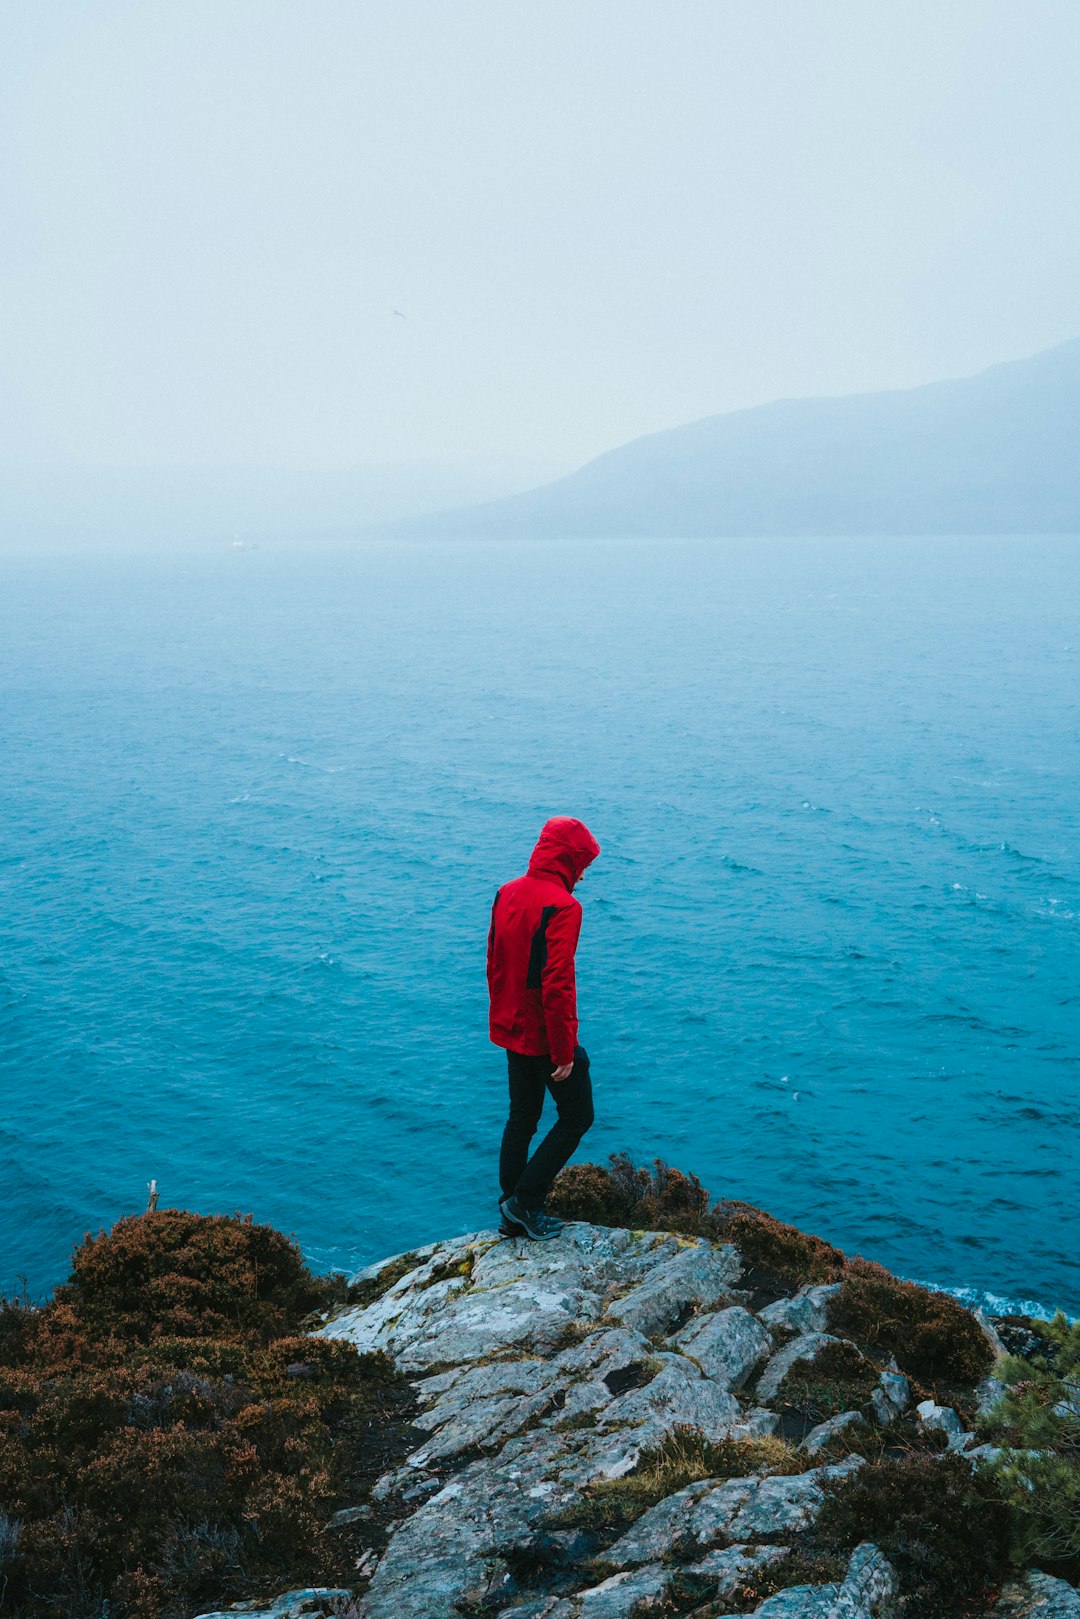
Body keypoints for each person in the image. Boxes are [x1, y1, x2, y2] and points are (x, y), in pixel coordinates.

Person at [487, 816, 601, 1240]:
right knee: (577, 1118)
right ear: (568, 858)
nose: (585, 873)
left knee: (522, 1118)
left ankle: (510, 1209)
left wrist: (502, 1021)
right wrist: (564, 1050)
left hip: (511, 1025)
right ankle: (526, 1201)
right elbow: (557, 984)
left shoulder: (506, 892)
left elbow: (494, 964)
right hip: (543, 1034)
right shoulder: (564, 907)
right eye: (582, 862)